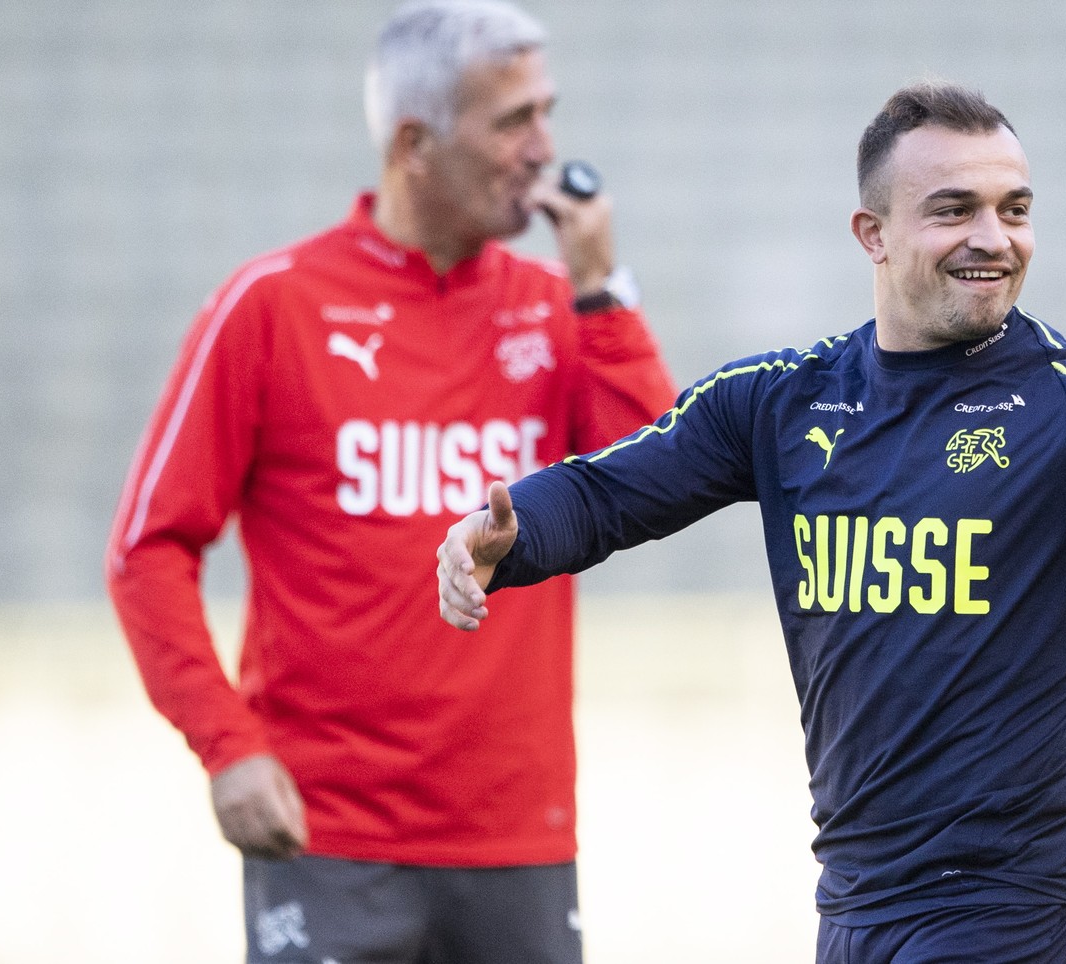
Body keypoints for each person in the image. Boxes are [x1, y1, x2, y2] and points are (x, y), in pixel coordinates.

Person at [436, 81, 1066, 963]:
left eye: (1015, 208)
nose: (995, 237)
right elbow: (607, 491)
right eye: (955, 209)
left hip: (1022, 905)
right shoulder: (777, 403)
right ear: (872, 233)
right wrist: (505, 537)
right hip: (855, 902)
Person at [106, 2, 676, 962]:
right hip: (326, 836)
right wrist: (227, 745)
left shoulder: (556, 308)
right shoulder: (272, 306)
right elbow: (147, 552)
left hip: (516, 836)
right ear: (414, 142)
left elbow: (655, 484)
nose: (545, 149)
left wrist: (600, 292)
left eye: (547, 112)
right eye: (512, 122)